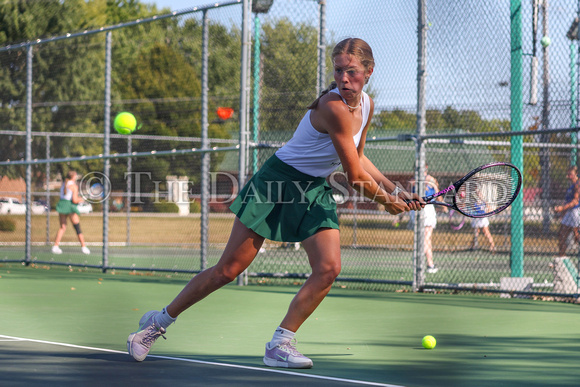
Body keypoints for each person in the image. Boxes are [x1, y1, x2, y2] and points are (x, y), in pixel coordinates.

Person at [126, 38, 424, 369]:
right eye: (338, 71)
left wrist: (394, 190)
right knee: (228, 270)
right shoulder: (333, 107)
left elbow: (361, 157)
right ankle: (156, 324)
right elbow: (353, 176)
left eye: (351, 72)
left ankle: (280, 344)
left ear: (368, 72)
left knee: (328, 268)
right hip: (276, 183)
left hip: (312, 189)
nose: (343, 79)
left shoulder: (366, 105)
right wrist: (387, 202)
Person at [408, 164, 445, 273]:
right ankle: (419, 258)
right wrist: (444, 207)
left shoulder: (415, 180)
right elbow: (438, 195)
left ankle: (430, 264)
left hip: (418, 209)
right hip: (422, 209)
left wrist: (444, 207)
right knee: (426, 238)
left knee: (424, 239)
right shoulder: (424, 180)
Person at [52, 170, 90, 255]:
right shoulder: (73, 186)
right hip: (68, 206)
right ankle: (83, 246)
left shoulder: (63, 184)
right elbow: (75, 200)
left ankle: (55, 246)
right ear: (73, 177)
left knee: (62, 227)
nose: (76, 177)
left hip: (62, 204)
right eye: (75, 176)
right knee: (77, 227)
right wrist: (82, 199)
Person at [554, 166, 580, 257]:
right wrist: (562, 211)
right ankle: (562, 256)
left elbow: (575, 201)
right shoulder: (571, 186)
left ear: (576, 174)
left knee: (577, 236)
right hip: (569, 213)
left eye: (570, 174)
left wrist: (562, 208)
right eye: (568, 174)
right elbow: (568, 201)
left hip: (576, 212)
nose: (568, 176)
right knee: (561, 234)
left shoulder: (578, 184)